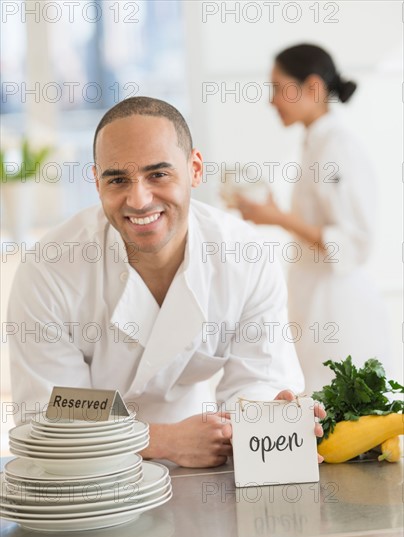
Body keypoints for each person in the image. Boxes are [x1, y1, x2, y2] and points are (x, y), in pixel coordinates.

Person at [8, 96, 325, 467]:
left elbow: (260, 379)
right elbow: (49, 414)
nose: (139, 199)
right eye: (118, 179)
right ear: (96, 183)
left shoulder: (245, 257)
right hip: (88, 476)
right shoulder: (50, 269)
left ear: (194, 169)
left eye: (158, 174)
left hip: (202, 457)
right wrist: (160, 440)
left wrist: (264, 424)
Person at [233, 44, 390, 395]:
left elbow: (354, 241)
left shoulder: (338, 147)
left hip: (339, 306)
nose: (271, 100)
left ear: (314, 87)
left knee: (343, 415)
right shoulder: (314, 143)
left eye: (277, 87)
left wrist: (280, 218)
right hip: (315, 298)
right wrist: (275, 215)